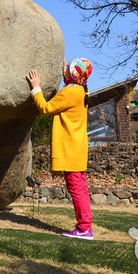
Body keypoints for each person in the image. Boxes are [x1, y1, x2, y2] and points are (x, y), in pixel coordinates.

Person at [25, 57, 94, 240]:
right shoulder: (80, 90)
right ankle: (85, 227)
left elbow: (46, 108)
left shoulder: (70, 93)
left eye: (68, 69)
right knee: (81, 188)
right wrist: (67, 74)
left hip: (70, 148)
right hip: (77, 147)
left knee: (76, 189)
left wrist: (36, 88)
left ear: (73, 74)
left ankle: (84, 229)